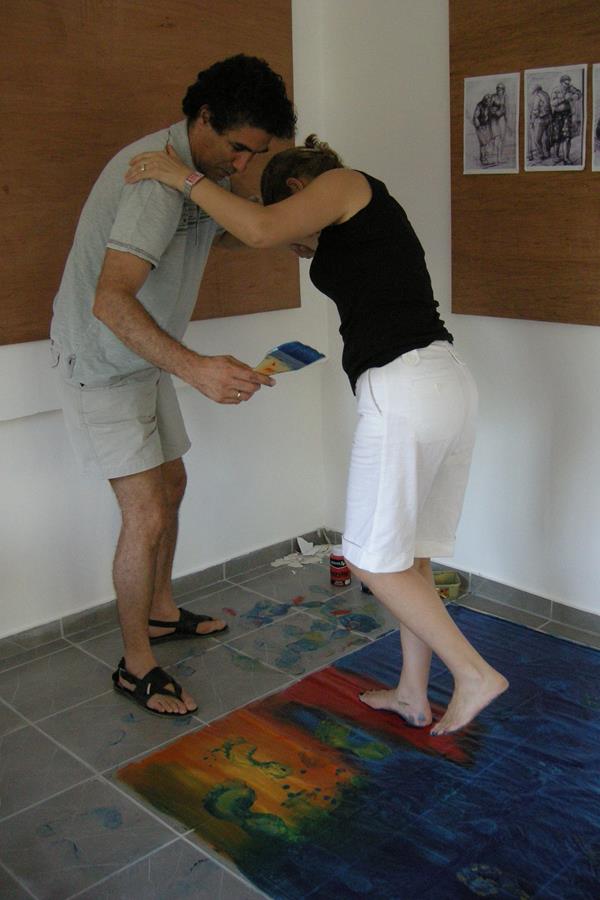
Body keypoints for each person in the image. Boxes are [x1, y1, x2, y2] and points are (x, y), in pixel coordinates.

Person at [125, 135, 508, 736]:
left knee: (369, 559)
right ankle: (412, 693)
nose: (295, 245)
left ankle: (474, 674)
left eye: (291, 219)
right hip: (443, 382)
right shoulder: (360, 224)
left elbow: (258, 229)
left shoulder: (346, 183)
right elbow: (256, 233)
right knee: (409, 555)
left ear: (297, 189)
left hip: (405, 386)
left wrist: (182, 177)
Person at [50, 55, 296, 718]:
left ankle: (159, 613)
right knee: (147, 513)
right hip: (103, 361)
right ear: (204, 118)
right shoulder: (153, 183)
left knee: (173, 484)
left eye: (256, 154)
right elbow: (110, 300)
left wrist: (284, 228)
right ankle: (135, 665)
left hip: (142, 357)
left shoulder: (199, 174)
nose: (242, 164)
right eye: (237, 148)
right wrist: (196, 368)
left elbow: (221, 231)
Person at [550, 74, 582, 165]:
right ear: (561, 83)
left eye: (569, 83)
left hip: (567, 115)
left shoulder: (570, 88)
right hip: (557, 115)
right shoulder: (556, 90)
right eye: (566, 83)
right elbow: (552, 103)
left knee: (567, 137)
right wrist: (564, 98)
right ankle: (556, 156)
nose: (568, 85)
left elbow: (579, 93)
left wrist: (575, 96)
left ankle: (566, 158)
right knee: (557, 137)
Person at [528, 85, 552, 162]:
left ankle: (541, 154)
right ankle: (547, 153)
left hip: (540, 120)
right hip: (548, 118)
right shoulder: (546, 95)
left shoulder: (537, 96)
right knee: (546, 137)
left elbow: (535, 110)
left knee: (537, 139)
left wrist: (532, 121)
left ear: (536, 90)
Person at [488, 82, 507, 165]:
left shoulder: (504, 97)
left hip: (501, 118)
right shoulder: (493, 97)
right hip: (494, 119)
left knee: (501, 138)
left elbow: (505, 108)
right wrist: (494, 111)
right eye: (498, 89)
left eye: (501, 89)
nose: (499, 91)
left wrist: (501, 112)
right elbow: (489, 107)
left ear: (503, 90)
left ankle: (499, 158)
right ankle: (494, 158)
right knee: (496, 138)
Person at [472, 94, 493, 166]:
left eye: (490, 101)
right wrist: (478, 125)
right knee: (483, 143)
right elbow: (475, 117)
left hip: (487, 126)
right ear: (485, 101)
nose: (489, 103)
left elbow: (490, 115)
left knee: (487, 143)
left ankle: (485, 158)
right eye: (488, 101)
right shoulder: (479, 106)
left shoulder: (489, 106)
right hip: (480, 127)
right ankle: (483, 159)